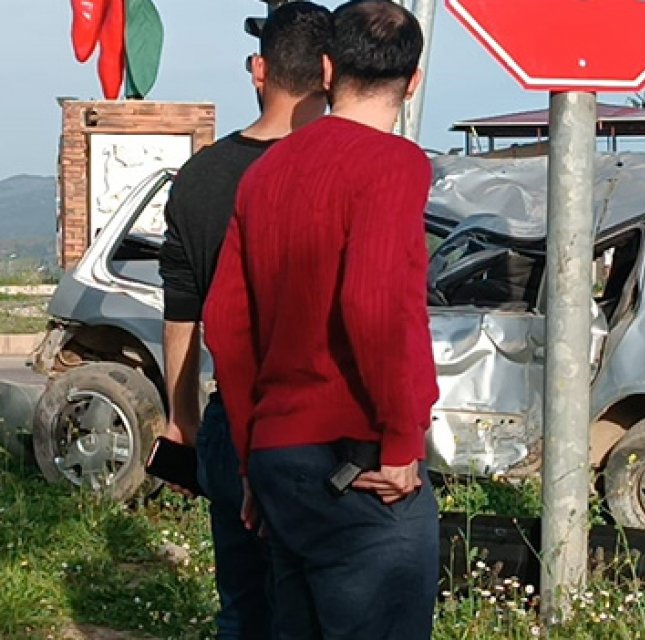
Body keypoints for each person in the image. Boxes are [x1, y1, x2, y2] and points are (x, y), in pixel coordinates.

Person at [203, 1, 439, 636]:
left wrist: (251, 458)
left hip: (280, 460)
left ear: (328, 69)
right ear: (413, 81)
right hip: (360, 462)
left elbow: (224, 323)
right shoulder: (395, 165)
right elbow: (372, 304)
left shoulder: (265, 173)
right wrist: (400, 442)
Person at [156, 3, 332, 637]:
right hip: (321, 431)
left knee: (243, 608)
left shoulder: (199, 177)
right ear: (331, 74)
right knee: (316, 611)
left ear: (260, 70)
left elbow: (182, 310)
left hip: (230, 422)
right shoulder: (341, 170)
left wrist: (181, 420)